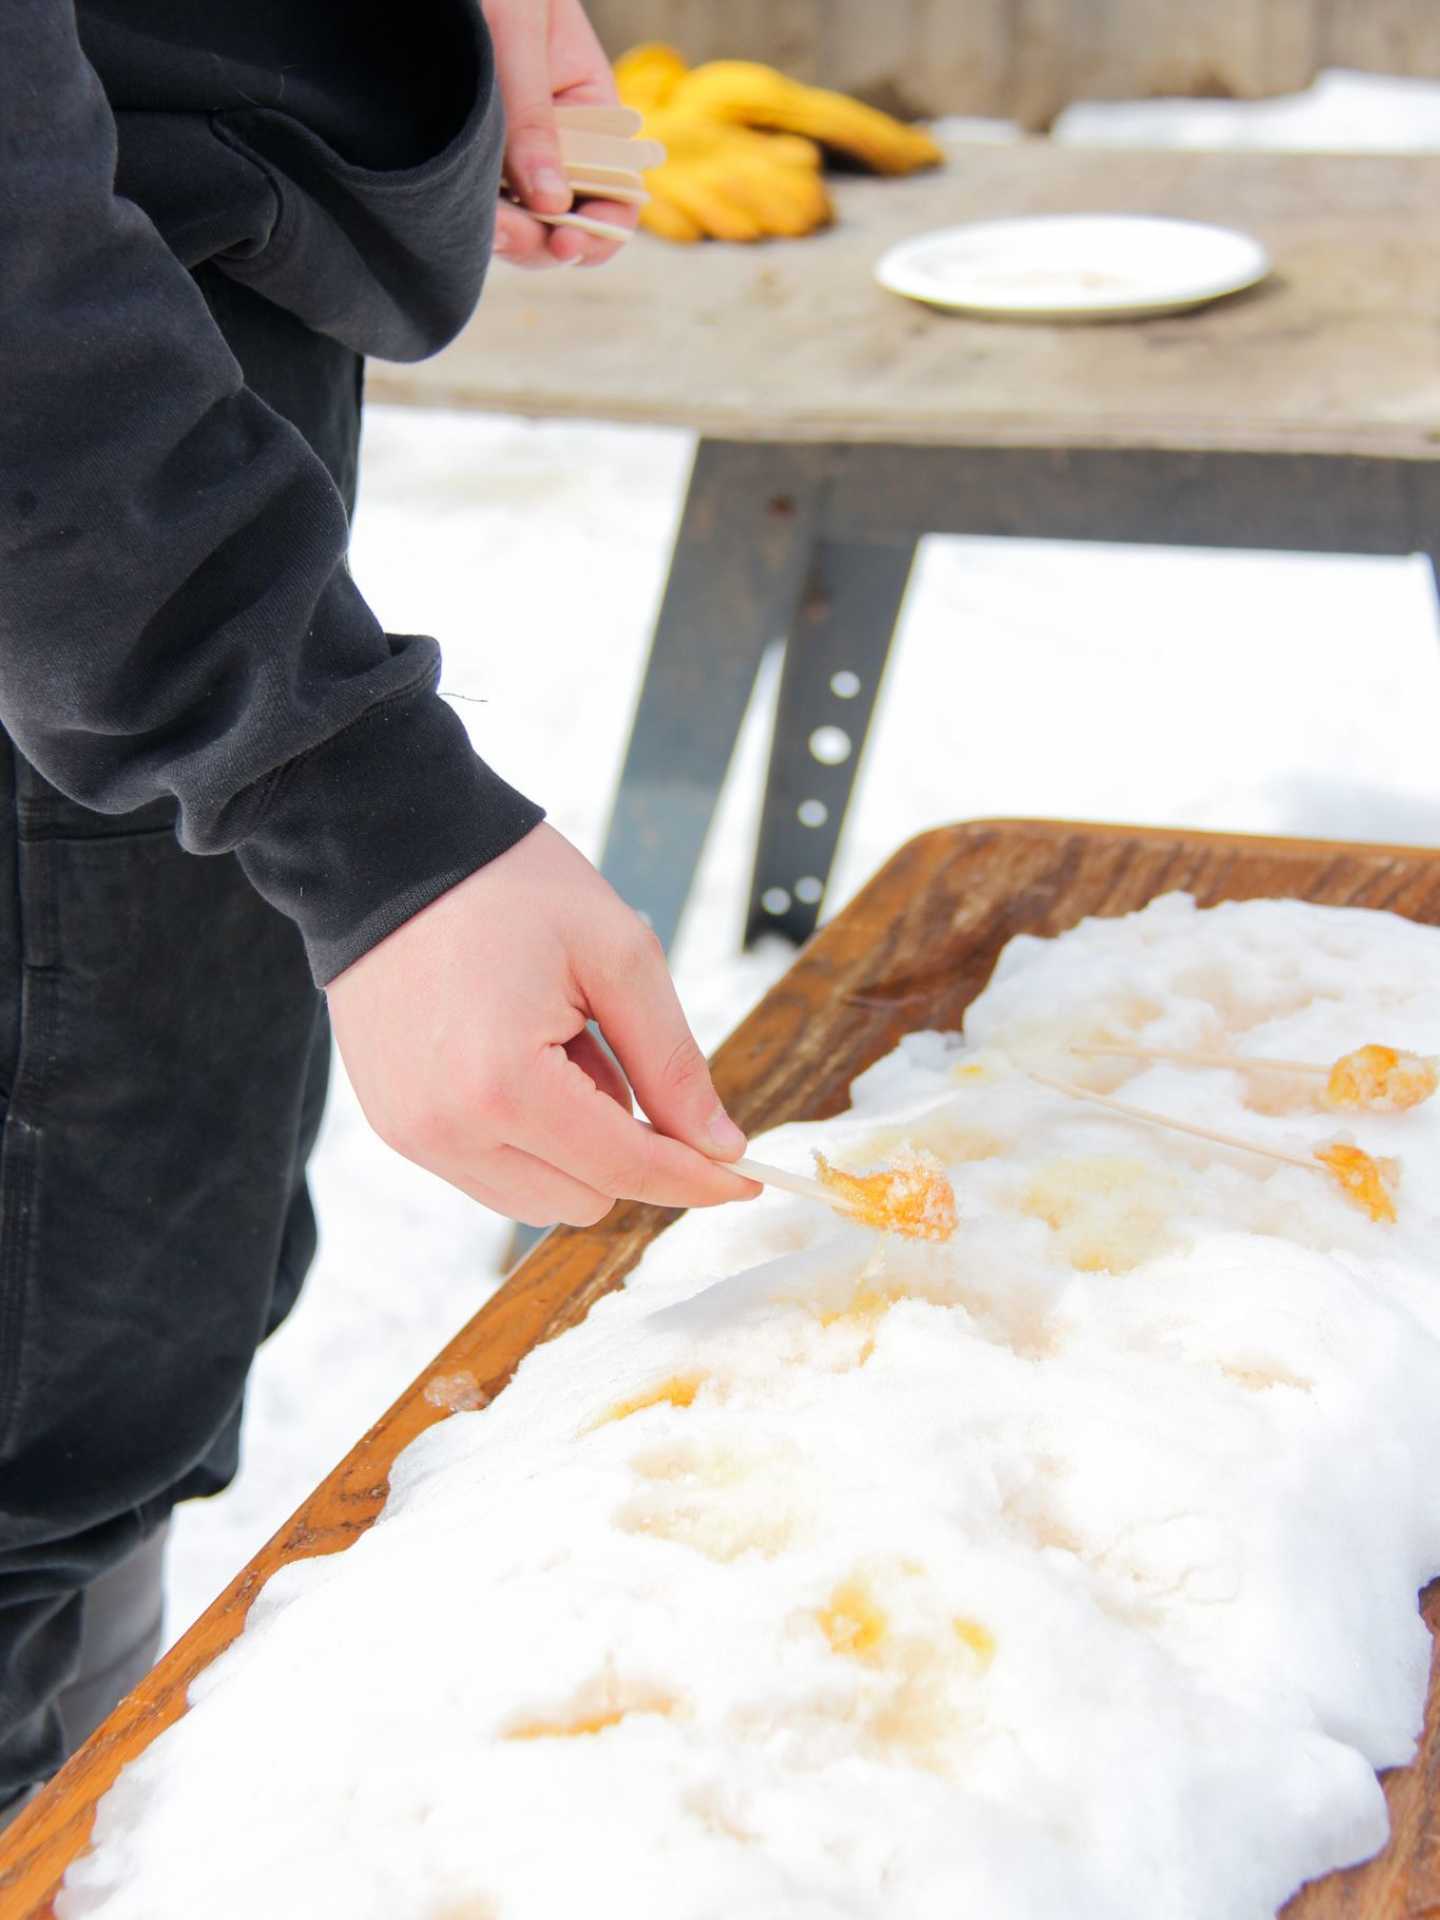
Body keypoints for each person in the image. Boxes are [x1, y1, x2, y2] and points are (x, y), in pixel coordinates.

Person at [0, 0, 755, 1823]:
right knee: (37, 1424)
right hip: (73, 497)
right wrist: (345, 795)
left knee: (120, 1368)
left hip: (146, 431)